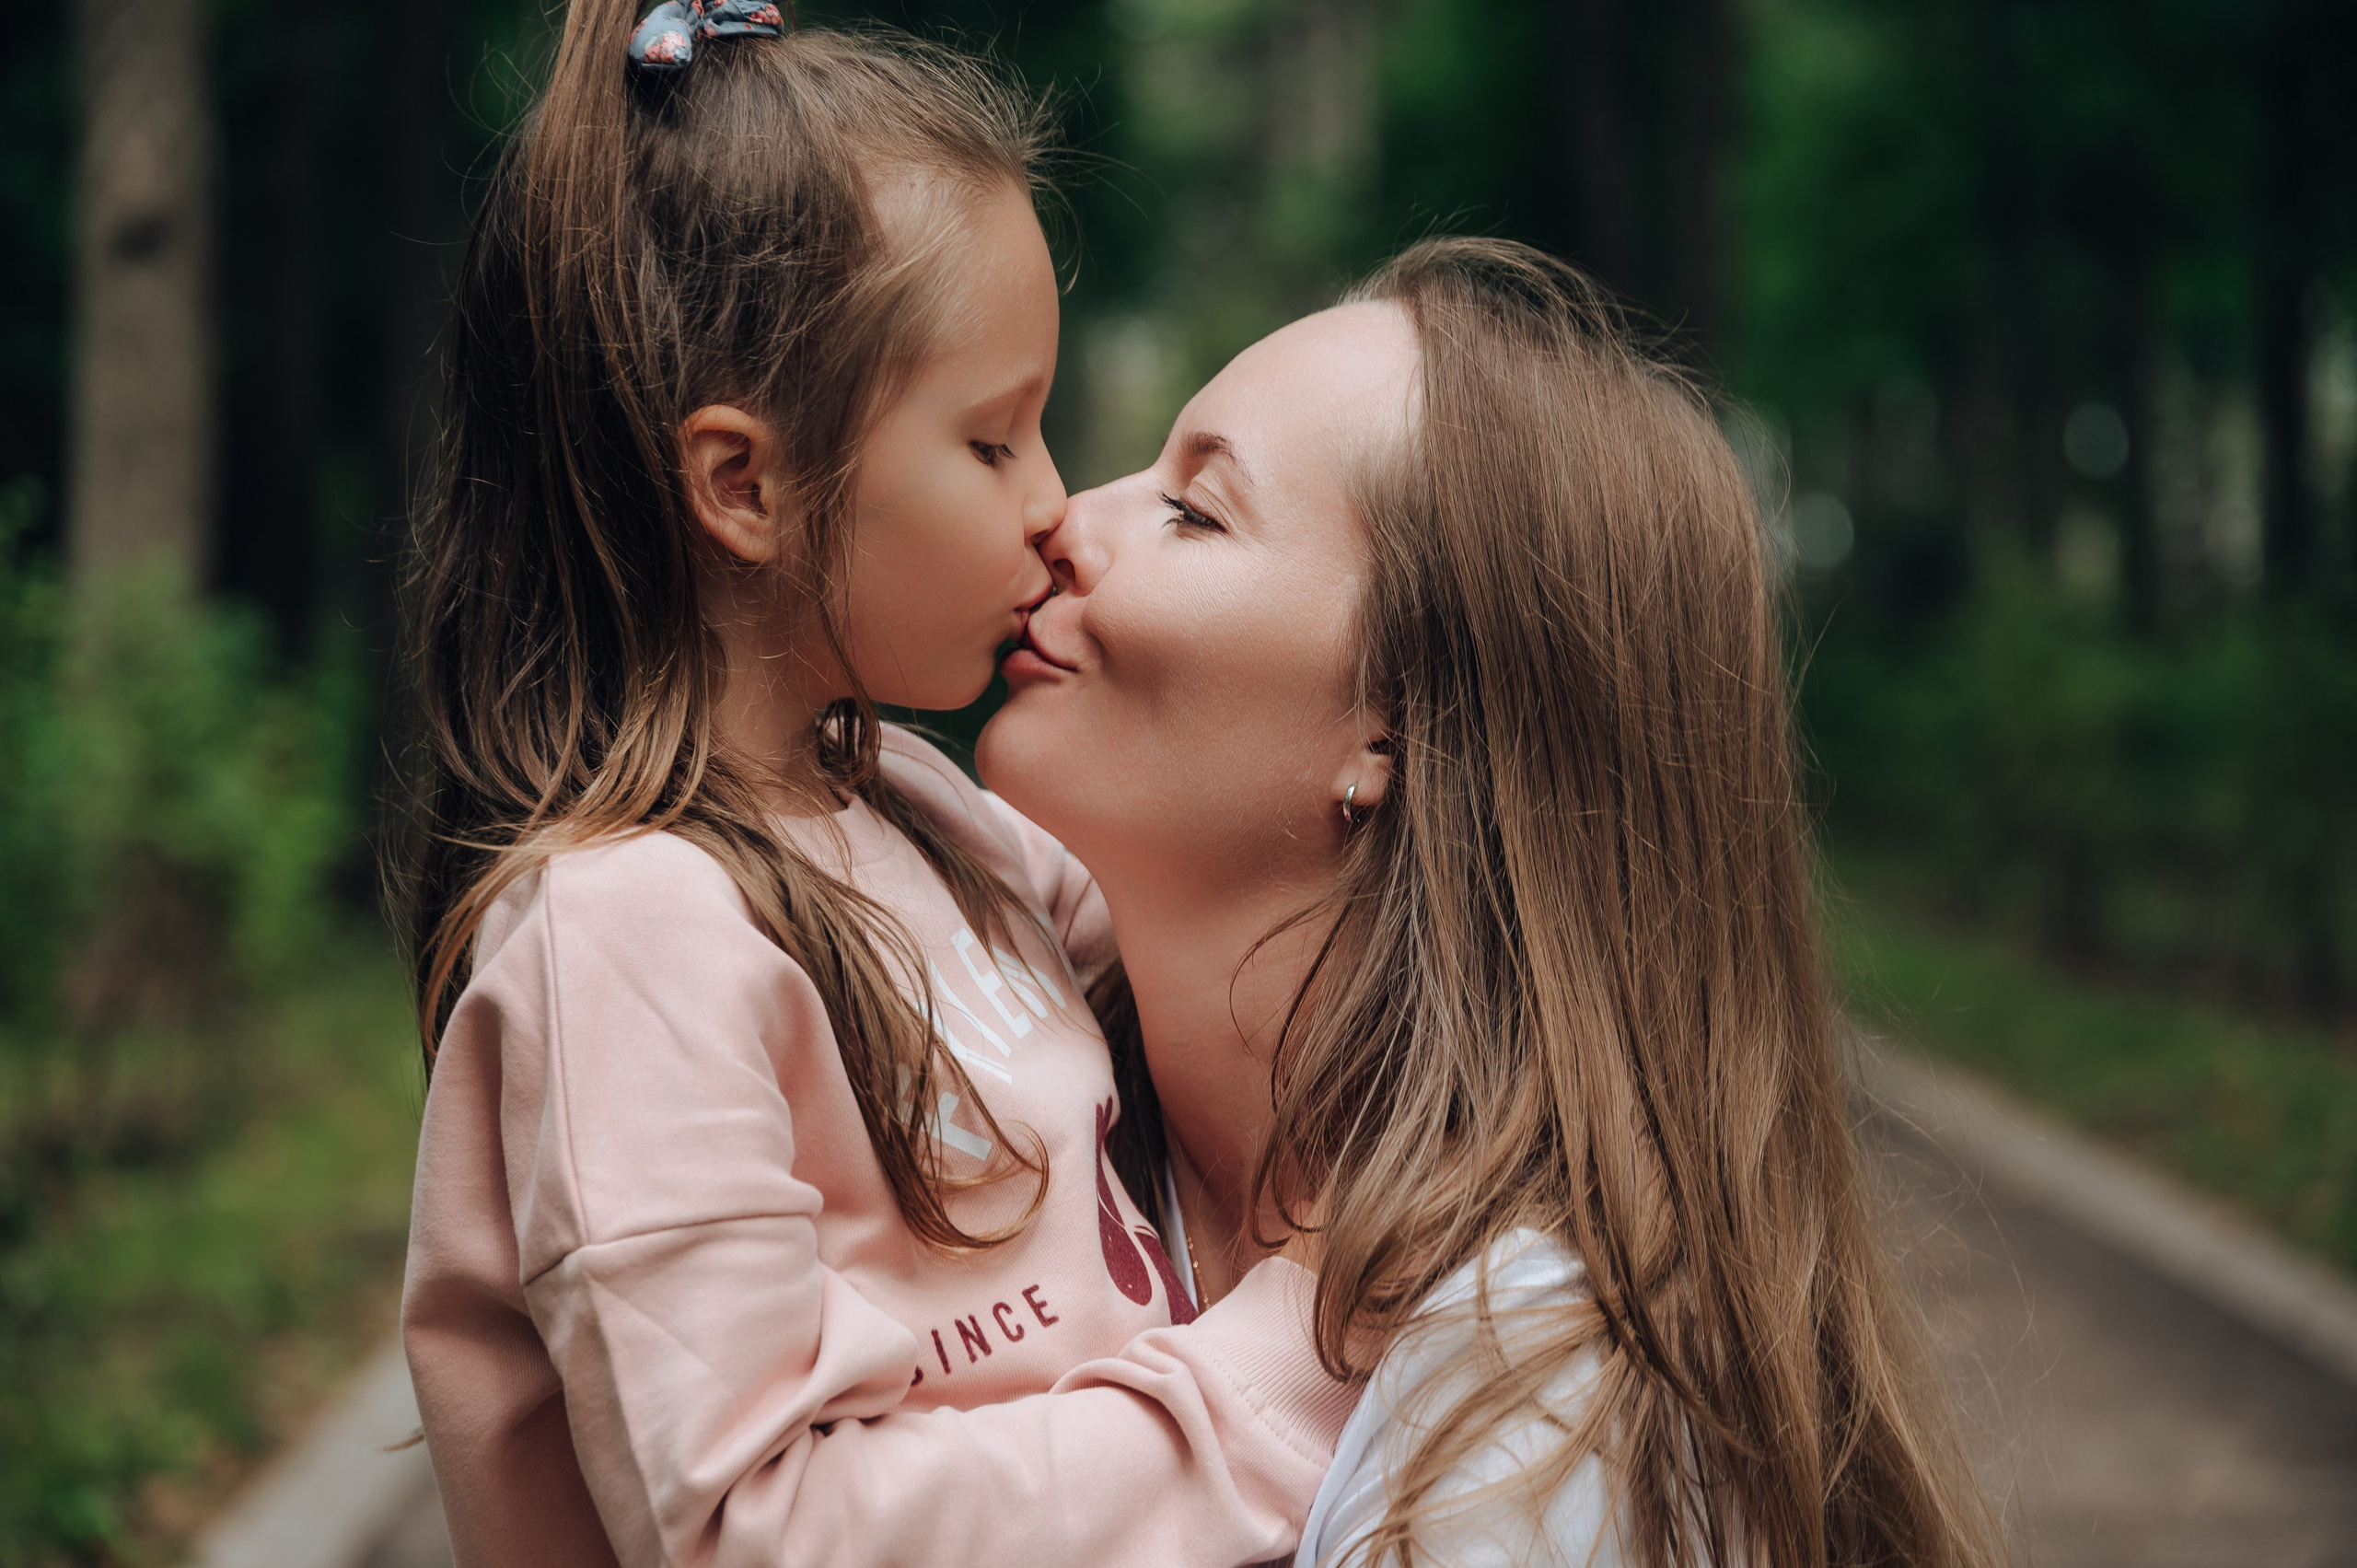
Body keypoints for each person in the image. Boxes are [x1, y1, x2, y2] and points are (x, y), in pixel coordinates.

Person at [389, 9, 1350, 1568]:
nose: (1055, 509)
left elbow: (1222, 997)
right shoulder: (622, 936)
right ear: (747, 485)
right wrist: (1266, 1390)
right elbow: (754, 1526)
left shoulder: (922, 812)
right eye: (992, 441)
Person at [980, 238, 1999, 1568]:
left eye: (1195, 510)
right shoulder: (988, 1119)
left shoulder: (1543, 1427)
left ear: (1396, 724)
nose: (1061, 520)